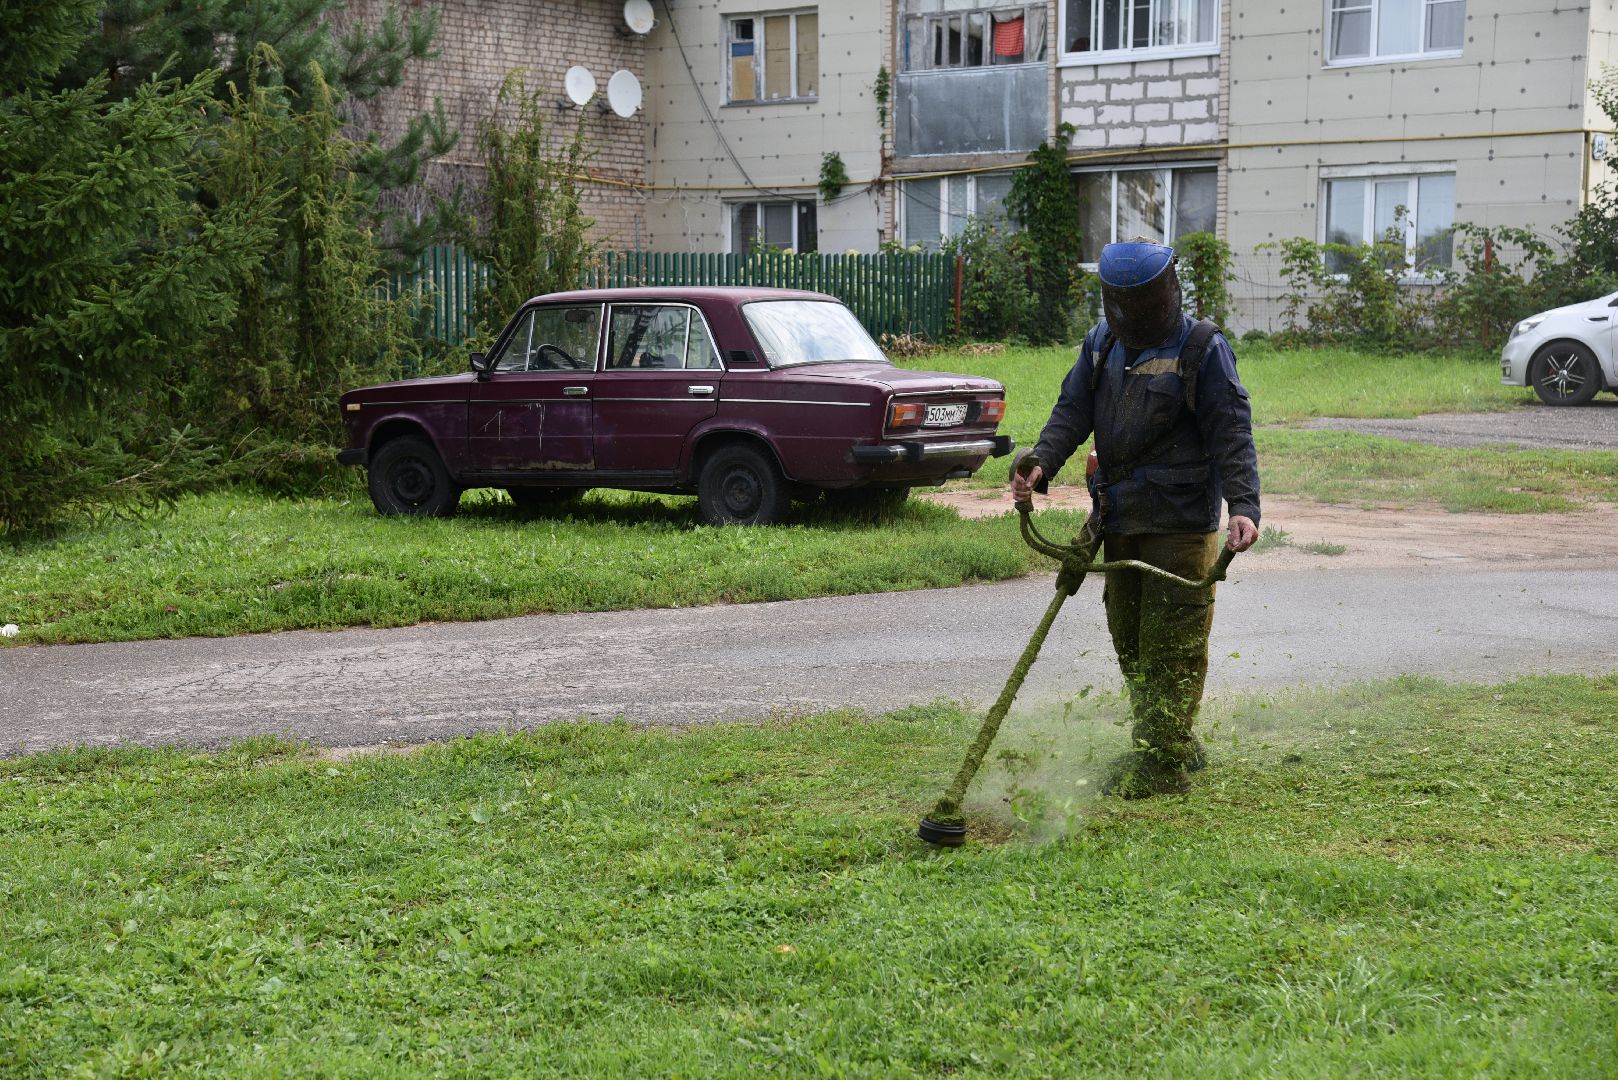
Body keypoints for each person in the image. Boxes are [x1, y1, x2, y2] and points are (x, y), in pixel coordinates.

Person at [1011, 240, 1260, 798]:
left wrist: (1243, 505)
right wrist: (1042, 461)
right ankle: (1171, 740)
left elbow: (1231, 432)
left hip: (1180, 524)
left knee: (1171, 646)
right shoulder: (1101, 344)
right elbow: (1071, 411)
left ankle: (1163, 763)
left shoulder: (1202, 348)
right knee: (1130, 640)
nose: (1130, 313)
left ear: (1166, 291)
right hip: (1119, 516)